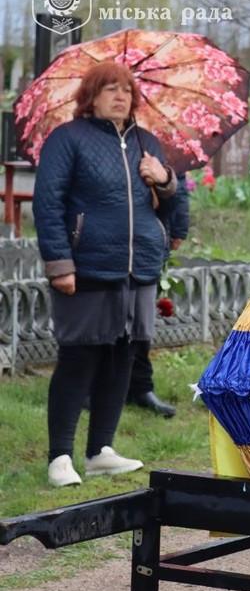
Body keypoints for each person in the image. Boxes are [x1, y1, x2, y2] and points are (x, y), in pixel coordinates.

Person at [34, 62, 178, 487]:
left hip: (139, 270)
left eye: (127, 91)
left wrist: (164, 179)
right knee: (80, 355)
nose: (120, 97)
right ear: (91, 96)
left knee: (123, 353)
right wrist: (60, 263)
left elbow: (173, 204)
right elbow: (48, 203)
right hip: (88, 265)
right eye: (110, 89)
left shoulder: (146, 143)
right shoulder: (67, 139)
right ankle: (60, 455)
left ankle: (100, 450)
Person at [126, 178, 189, 418]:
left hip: (150, 240)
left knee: (143, 324)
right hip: (108, 242)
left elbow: (178, 183)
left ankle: (141, 387)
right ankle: (97, 386)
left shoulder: (161, 146)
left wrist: (179, 225)